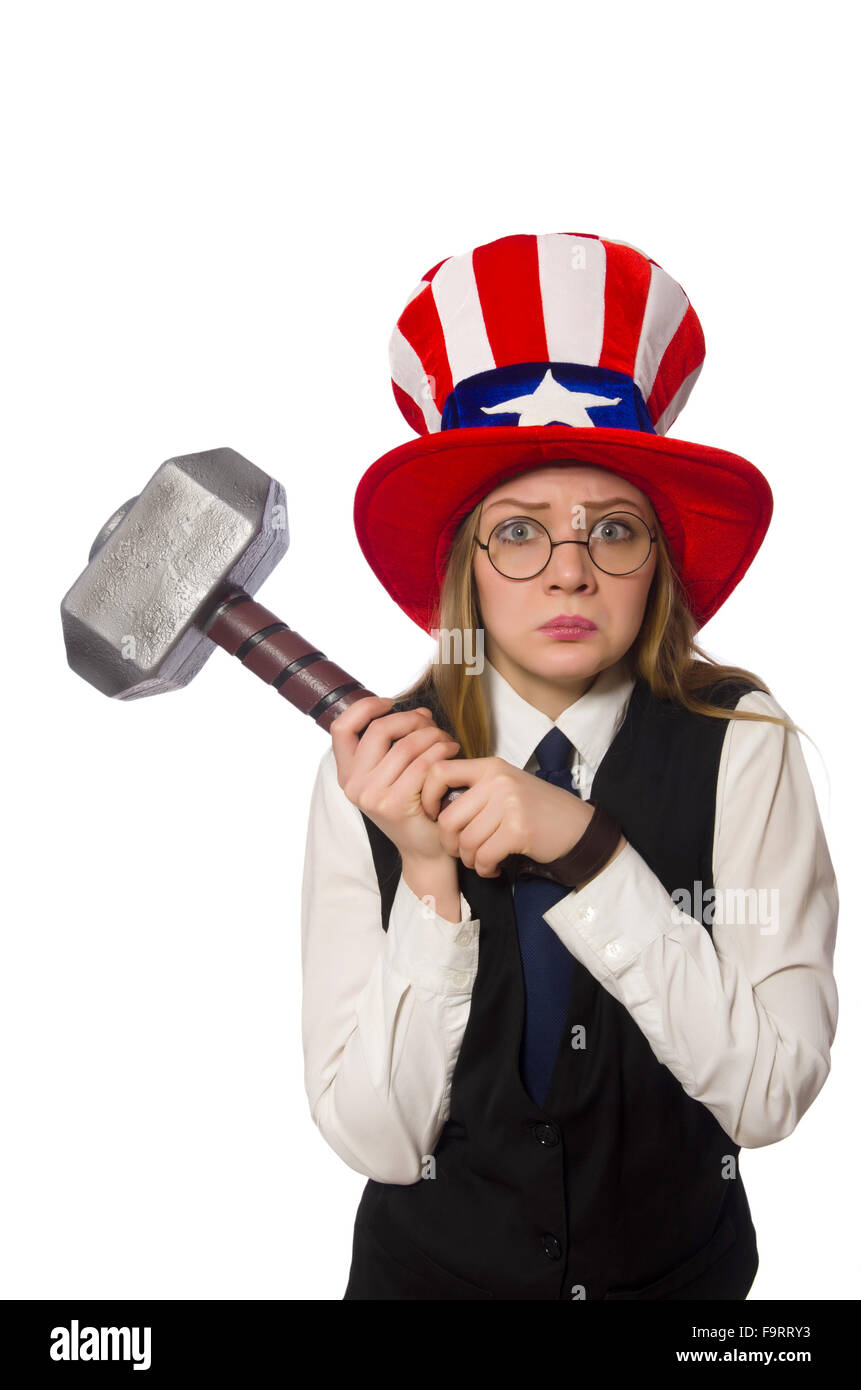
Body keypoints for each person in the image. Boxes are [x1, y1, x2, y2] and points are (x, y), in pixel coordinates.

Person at [300, 231, 839, 1300]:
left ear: (660, 564)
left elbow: (767, 1095)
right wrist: (426, 882)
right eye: (520, 531)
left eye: (615, 529)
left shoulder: (743, 740)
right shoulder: (368, 772)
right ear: (467, 564)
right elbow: (378, 1138)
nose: (571, 571)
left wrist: (591, 852)